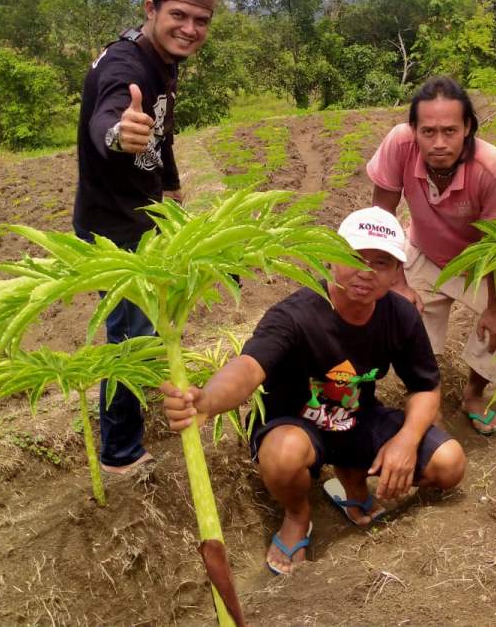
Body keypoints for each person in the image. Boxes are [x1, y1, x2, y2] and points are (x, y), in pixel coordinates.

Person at [161, 207, 467, 576]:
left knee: (449, 464)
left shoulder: (400, 315)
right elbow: (249, 367)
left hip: (357, 419)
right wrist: (206, 400)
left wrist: (405, 439)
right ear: (329, 258)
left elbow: (425, 387)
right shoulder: (296, 314)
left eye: (381, 262)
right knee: (285, 453)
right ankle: (297, 514)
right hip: (293, 424)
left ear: (396, 273)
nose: (366, 272)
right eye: (354, 258)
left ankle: (350, 475)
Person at [73, 0, 216, 479]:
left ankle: (128, 429)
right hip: (114, 228)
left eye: (201, 20)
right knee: (131, 342)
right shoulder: (126, 64)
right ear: (150, 10)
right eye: (178, 15)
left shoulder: (163, 60)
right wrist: (120, 134)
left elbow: (162, 133)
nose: (190, 28)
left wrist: (172, 188)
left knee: (144, 333)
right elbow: (109, 118)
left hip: (143, 218)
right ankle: (119, 453)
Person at [366, 76, 496, 436]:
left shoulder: (492, 168)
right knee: (411, 323)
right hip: (423, 249)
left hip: (480, 261)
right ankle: (426, 396)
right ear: (413, 130)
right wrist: (398, 281)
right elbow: (382, 215)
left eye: (450, 131)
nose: (439, 143)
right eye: (428, 132)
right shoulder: (399, 145)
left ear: (468, 128)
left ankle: (474, 396)